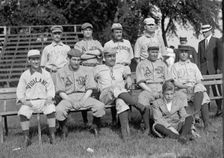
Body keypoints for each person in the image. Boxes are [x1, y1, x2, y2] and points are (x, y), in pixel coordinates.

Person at [94, 47, 149, 140]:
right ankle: (137, 105)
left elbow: (128, 77)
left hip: (120, 95)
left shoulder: (121, 67)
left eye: (114, 56)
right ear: (104, 58)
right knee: (115, 87)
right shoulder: (98, 68)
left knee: (121, 102)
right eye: (109, 56)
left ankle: (126, 136)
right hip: (105, 96)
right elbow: (93, 83)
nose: (112, 58)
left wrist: (128, 79)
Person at [55, 49, 105, 138]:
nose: (76, 62)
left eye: (78, 60)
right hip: (67, 97)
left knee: (100, 106)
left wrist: (82, 100)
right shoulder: (61, 71)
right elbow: (61, 91)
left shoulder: (86, 70)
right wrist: (72, 102)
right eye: (74, 59)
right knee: (59, 110)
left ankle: (95, 126)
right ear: (68, 59)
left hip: (83, 96)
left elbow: (90, 89)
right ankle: (63, 128)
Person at [170, 45, 214, 132]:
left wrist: (193, 87)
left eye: (185, 52)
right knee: (200, 95)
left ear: (188, 54)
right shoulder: (175, 66)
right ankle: (193, 119)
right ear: (179, 53)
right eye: (182, 52)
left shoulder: (193, 66)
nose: (183, 54)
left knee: (201, 91)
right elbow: (174, 82)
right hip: (181, 89)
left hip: (194, 89)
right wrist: (186, 87)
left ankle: (206, 124)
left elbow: (199, 79)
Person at [17, 50, 56, 146]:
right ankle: (26, 137)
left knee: (51, 109)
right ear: (28, 61)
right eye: (33, 59)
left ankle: (52, 135)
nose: (36, 61)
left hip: (44, 100)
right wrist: (24, 101)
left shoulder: (46, 73)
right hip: (30, 102)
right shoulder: (25, 75)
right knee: (22, 112)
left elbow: (51, 88)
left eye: (37, 59)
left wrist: (49, 98)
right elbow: (20, 91)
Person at [74, 22, 103, 126]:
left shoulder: (96, 42)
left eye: (89, 30)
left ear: (92, 31)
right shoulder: (78, 44)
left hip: (95, 67)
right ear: (82, 31)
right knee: (84, 92)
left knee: (97, 92)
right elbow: (79, 56)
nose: (87, 31)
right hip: (84, 68)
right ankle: (85, 120)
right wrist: (92, 53)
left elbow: (99, 52)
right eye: (85, 30)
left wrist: (87, 53)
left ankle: (97, 120)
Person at [136, 46, 169, 134]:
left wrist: (164, 90)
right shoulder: (142, 64)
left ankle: (168, 123)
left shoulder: (162, 64)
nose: (154, 54)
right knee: (142, 98)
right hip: (148, 88)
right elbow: (140, 82)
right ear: (148, 52)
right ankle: (147, 126)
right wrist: (150, 90)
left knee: (171, 97)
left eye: (156, 52)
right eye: (152, 52)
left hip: (161, 88)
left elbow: (168, 80)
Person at [198, 24, 222, 116]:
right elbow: (199, 58)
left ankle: (219, 109)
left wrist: (219, 68)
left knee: (217, 90)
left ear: (210, 31)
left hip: (214, 69)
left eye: (205, 31)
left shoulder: (217, 41)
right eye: (203, 32)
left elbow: (220, 56)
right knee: (205, 91)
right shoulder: (200, 43)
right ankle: (206, 111)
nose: (204, 33)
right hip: (204, 71)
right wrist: (199, 70)